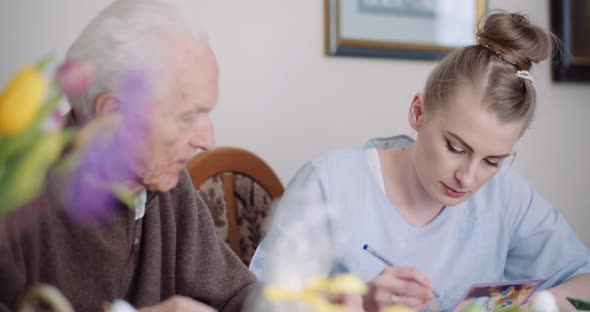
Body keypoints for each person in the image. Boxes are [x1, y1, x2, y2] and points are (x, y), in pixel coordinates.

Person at [250, 11, 590, 312]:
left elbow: (583, 282)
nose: (468, 179)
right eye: (455, 148)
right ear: (418, 112)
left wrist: (512, 307)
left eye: (493, 161)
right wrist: (362, 304)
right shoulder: (329, 183)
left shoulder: (504, 196)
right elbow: (260, 300)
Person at [0, 0, 256, 311]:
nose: (207, 141)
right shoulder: (17, 198)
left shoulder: (168, 184)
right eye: (187, 117)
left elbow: (237, 296)